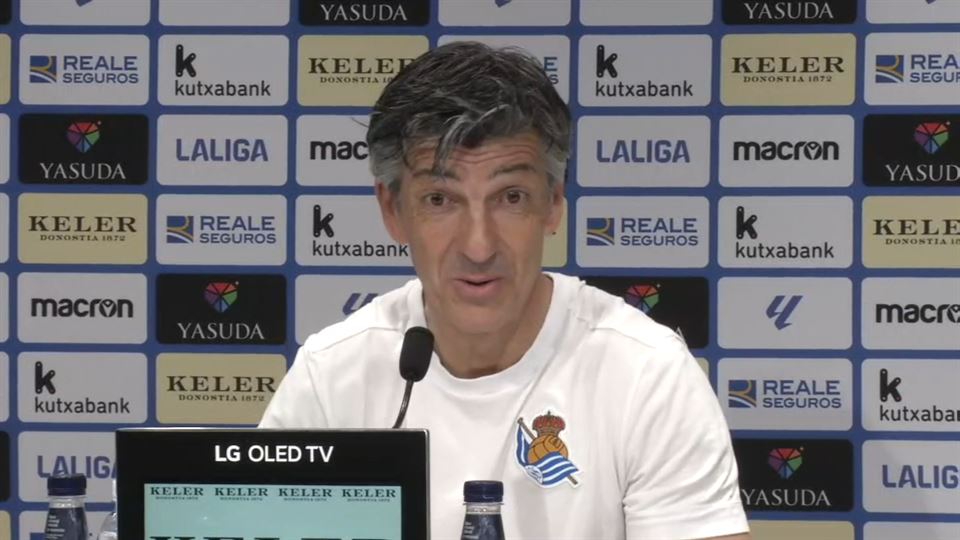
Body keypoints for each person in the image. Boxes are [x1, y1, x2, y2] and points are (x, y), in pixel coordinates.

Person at [260, 42, 750, 540]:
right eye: (440, 199)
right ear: (393, 211)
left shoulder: (646, 373)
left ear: (553, 203)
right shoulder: (330, 377)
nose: (478, 246)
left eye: (510, 197)